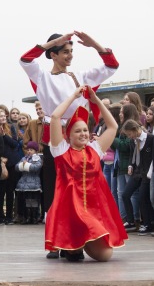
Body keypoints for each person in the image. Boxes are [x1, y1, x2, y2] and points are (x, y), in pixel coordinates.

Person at [20, 32, 119, 217]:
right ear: (53, 54)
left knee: (80, 186)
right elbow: (25, 60)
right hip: (55, 139)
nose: (70, 55)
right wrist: (51, 44)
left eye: (71, 51)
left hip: (79, 139)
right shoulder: (42, 78)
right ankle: (54, 235)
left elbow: (111, 66)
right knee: (54, 186)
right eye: (65, 51)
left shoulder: (81, 77)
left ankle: (81, 226)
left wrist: (95, 45)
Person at [46, 87, 126, 261]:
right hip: (69, 210)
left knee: (105, 255)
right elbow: (55, 118)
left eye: (85, 130)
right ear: (68, 136)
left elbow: (113, 126)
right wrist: (73, 95)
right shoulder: (60, 151)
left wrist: (95, 100)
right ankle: (70, 247)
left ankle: (76, 246)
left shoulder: (95, 149)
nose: (83, 133)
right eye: (77, 131)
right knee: (74, 253)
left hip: (93, 210)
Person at [15, 141, 43, 224]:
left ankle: (34, 217)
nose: (29, 151)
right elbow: (17, 167)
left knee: (33, 201)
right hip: (23, 184)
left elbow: (36, 167)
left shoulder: (37, 158)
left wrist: (26, 165)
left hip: (34, 183)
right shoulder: (24, 158)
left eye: (31, 150)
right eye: (28, 150)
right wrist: (22, 165)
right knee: (25, 201)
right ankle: (26, 217)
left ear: (35, 151)